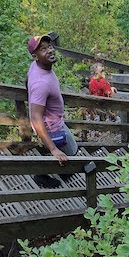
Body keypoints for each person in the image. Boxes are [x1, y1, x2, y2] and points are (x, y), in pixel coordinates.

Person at [26, 33, 78, 188]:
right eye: (43, 49)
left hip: (53, 121)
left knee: (67, 152)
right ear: (36, 56)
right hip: (52, 127)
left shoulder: (35, 67)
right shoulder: (41, 84)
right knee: (73, 154)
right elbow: (36, 118)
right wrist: (54, 149)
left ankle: (45, 173)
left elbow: (27, 79)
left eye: (49, 46)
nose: (49, 50)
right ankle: (47, 177)